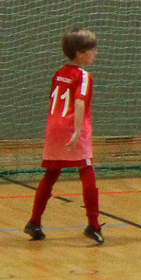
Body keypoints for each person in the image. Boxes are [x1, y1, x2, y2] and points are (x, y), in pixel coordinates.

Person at [24, 28, 104, 245]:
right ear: (79, 53)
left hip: (53, 126)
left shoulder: (59, 72)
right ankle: (94, 224)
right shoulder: (83, 75)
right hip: (71, 126)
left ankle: (34, 221)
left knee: (51, 173)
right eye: (91, 49)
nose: (95, 52)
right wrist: (77, 131)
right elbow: (79, 102)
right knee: (87, 170)